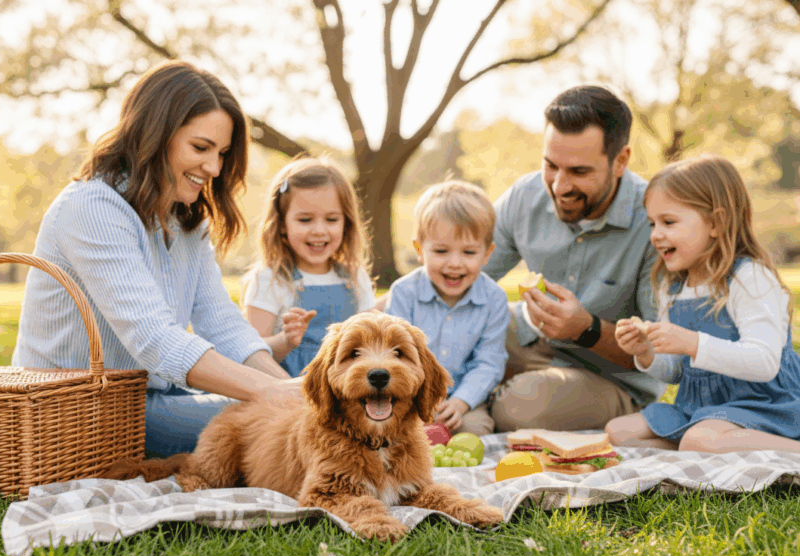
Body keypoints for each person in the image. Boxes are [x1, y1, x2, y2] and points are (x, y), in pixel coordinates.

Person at [13, 60, 298, 457]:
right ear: (155, 134)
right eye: (200, 148)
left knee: (294, 412)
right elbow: (155, 340)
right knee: (280, 421)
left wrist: (290, 387)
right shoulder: (92, 208)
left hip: (147, 401)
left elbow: (222, 323)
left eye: (221, 153)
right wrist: (277, 396)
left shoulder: (186, 222)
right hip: (75, 412)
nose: (213, 168)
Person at [482, 85, 666, 433]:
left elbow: (660, 353)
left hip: (608, 377)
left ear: (621, 161)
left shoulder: (654, 221)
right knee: (446, 326)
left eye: (579, 172)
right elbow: (454, 274)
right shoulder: (526, 195)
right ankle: (479, 390)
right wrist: (364, 324)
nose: (559, 186)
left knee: (518, 408)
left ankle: (480, 395)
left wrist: (587, 329)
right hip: (529, 339)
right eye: (551, 165)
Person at [607, 154, 800, 453]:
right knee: (618, 432)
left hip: (766, 404)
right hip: (701, 408)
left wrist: (692, 342)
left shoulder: (749, 279)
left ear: (716, 222)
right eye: (652, 223)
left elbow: (764, 363)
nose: (656, 235)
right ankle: (696, 447)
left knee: (701, 439)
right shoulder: (672, 287)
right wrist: (645, 352)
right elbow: (677, 372)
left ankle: (790, 448)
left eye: (669, 222)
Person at [384, 180, 509, 435]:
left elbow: (489, 362)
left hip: (462, 397)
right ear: (420, 250)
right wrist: (418, 400)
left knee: (477, 430)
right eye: (441, 251)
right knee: (393, 430)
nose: (455, 263)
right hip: (409, 395)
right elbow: (394, 354)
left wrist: (462, 402)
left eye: (469, 252)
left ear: (487, 254)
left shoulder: (494, 298)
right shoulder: (404, 293)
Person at [242, 157, 374, 377]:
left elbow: (370, 343)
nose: (319, 231)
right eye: (305, 220)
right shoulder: (270, 279)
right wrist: (285, 340)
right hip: (288, 393)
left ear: (346, 223)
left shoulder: (355, 277)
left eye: (331, 219)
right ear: (282, 224)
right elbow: (251, 355)